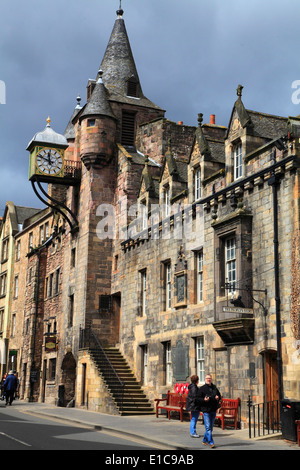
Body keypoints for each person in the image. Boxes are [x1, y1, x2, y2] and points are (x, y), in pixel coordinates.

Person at [198, 373, 221, 448]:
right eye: (207, 378)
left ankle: (205, 440)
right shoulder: (202, 388)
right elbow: (198, 399)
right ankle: (211, 442)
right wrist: (204, 400)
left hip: (213, 409)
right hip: (206, 410)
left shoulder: (214, 387)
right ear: (205, 379)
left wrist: (218, 397)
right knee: (208, 427)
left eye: (210, 378)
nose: (209, 379)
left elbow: (219, 395)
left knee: (210, 427)